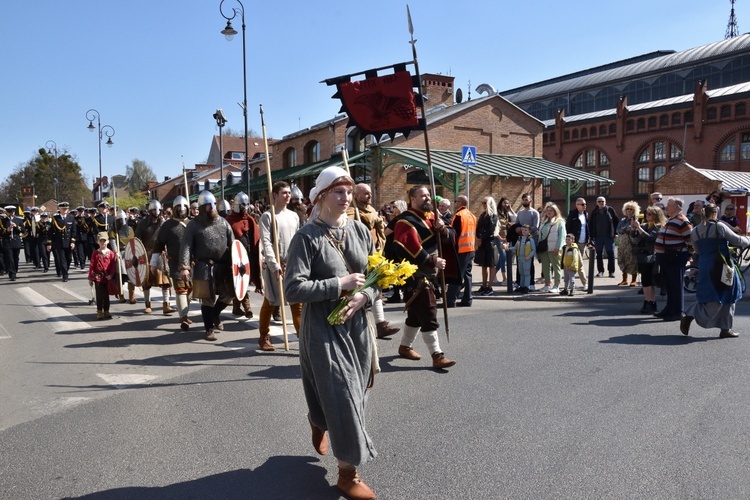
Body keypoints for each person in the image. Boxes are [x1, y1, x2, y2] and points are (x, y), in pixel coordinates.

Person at [284, 166, 378, 500]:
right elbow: (293, 288)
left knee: (357, 391)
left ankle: (318, 419)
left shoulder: (360, 230)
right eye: (339, 192)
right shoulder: (306, 237)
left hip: (357, 325)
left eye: (349, 192)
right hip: (323, 328)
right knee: (343, 393)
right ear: (321, 196)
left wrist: (365, 294)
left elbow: (374, 277)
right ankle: (347, 474)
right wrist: (337, 285)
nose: (346, 198)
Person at [389, 185, 457, 369]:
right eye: (423, 196)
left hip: (431, 274)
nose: (428, 198)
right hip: (416, 276)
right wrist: (432, 260)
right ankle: (437, 355)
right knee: (428, 312)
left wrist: (442, 228)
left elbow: (450, 236)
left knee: (415, 316)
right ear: (412, 199)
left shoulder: (433, 217)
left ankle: (404, 346)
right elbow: (408, 247)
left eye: (428, 195)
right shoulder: (405, 221)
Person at [681, 203, 750, 338]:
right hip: (723, 266)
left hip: (706, 266)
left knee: (710, 295)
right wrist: (748, 239)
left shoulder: (695, 231)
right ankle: (691, 314)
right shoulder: (719, 226)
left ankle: (725, 328)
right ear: (714, 213)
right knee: (729, 295)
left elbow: (698, 250)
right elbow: (737, 240)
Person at [178, 191, 235, 341]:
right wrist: (184, 266)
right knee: (207, 298)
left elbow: (233, 244)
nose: (213, 208)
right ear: (203, 207)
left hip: (223, 266)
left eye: (214, 205)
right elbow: (186, 247)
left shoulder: (223, 222)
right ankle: (209, 328)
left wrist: (237, 262)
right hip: (204, 266)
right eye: (209, 205)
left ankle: (215, 314)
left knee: (228, 294)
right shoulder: (193, 225)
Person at [347, 183, 399, 338]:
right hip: (359, 256)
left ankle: (381, 324)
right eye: (366, 193)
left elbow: (380, 231)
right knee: (360, 291)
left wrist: (379, 247)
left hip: (375, 254)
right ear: (356, 195)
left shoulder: (371, 210)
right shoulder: (351, 211)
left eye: (370, 193)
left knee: (376, 289)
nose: (369, 196)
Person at [258, 181, 303, 351]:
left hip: (292, 264)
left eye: (289, 193)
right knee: (270, 301)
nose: (288, 195)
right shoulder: (268, 216)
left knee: (297, 301)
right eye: (284, 193)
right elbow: (267, 243)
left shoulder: (294, 216)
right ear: (275, 195)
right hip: (274, 265)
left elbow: (298, 240)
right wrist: (274, 264)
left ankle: (302, 337)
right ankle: (264, 336)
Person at [152, 196, 194, 328]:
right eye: (179, 208)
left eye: (184, 208)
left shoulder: (192, 224)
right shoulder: (168, 226)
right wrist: (153, 263)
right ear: (175, 209)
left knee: (190, 290)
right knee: (181, 289)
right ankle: (183, 317)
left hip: (193, 263)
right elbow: (159, 244)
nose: (182, 210)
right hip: (176, 263)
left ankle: (184, 312)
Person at [653, 197, 693, 322]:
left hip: (675, 257)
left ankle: (677, 311)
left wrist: (687, 255)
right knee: (669, 285)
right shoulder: (671, 219)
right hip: (666, 257)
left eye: (669, 205)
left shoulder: (683, 221)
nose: (666, 207)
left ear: (677, 207)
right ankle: (669, 308)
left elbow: (690, 240)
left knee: (675, 285)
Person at [225, 192, 262, 321]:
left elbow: (255, 238)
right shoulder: (229, 220)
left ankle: (236, 307)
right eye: (242, 205)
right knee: (240, 281)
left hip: (248, 255)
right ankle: (248, 308)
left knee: (242, 281)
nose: (244, 207)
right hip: (234, 256)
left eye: (246, 204)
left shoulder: (250, 219)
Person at [135, 200, 174, 314]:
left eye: (158, 210)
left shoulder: (164, 223)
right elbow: (137, 240)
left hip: (161, 254)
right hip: (146, 254)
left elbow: (169, 238)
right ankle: (148, 305)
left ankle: (166, 304)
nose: (156, 212)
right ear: (150, 210)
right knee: (147, 281)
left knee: (165, 281)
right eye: (154, 210)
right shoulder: (143, 223)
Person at [631, 205, 665, 314]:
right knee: (646, 281)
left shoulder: (658, 227)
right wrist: (633, 228)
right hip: (642, 256)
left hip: (650, 256)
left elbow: (651, 239)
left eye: (649, 214)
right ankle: (648, 301)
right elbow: (635, 238)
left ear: (656, 215)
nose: (647, 216)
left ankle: (650, 301)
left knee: (648, 281)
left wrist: (639, 228)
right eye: (646, 214)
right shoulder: (645, 225)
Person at [447, 195, 476, 307]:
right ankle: (468, 299)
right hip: (470, 248)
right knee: (467, 274)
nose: (454, 203)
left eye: (455, 201)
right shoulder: (472, 215)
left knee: (457, 275)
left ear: (459, 202)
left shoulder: (459, 215)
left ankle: (451, 299)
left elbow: (454, 234)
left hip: (461, 249)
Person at [537, 202, 566, 293]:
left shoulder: (559, 222)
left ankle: (556, 285)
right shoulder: (544, 221)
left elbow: (562, 236)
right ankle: (547, 284)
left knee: (556, 267)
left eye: (551, 210)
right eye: (547, 210)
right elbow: (540, 235)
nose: (549, 212)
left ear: (555, 212)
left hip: (554, 248)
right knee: (545, 267)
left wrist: (558, 247)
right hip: (544, 248)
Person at [88, 231, 117, 320]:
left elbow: (113, 265)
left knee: (106, 295)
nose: (102, 243)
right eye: (101, 241)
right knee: (100, 295)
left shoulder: (111, 253)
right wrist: (90, 277)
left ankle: (107, 311)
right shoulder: (95, 253)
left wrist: (111, 275)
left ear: (107, 242)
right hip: (98, 277)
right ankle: (99, 311)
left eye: (104, 241)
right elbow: (92, 265)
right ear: (98, 242)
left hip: (107, 277)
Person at [47, 202, 77, 282]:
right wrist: (49, 243)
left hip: (68, 243)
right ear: (59, 209)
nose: (65, 210)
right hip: (59, 243)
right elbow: (50, 232)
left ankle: (65, 270)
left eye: (66, 209)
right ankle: (65, 275)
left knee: (69, 259)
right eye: (63, 209)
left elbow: (74, 231)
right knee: (62, 260)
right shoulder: (55, 219)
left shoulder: (71, 218)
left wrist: (73, 242)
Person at [515, 193, 540, 290]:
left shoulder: (534, 213)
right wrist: (519, 229)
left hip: (530, 241)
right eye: (524, 199)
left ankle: (531, 283)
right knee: (520, 263)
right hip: (521, 241)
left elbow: (535, 226)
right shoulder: (520, 213)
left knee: (530, 262)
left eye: (527, 199)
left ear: (531, 200)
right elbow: (517, 224)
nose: (525, 201)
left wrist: (526, 229)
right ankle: (519, 283)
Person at [589, 196, 618, 278]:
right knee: (598, 255)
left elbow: (616, 221)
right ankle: (600, 271)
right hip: (598, 237)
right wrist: (591, 237)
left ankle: (611, 272)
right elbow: (591, 224)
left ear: (605, 202)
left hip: (609, 236)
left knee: (611, 254)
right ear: (596, 203)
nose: (601, 203)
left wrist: (615, 232)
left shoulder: (610, 210)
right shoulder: (594, 212)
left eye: (602, 201)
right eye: (599, 201)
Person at [475, 196, 498, 295]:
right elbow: (478, 227)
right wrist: (477, 237)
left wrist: (481, 238)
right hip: (483, 242)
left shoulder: (493, 216)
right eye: (482, 202)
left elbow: (490, 230)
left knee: (491, 264)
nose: (483, 205)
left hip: (489, 242)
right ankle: (484, 285)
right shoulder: (482, 214)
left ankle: (490, 287)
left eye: (485, 203)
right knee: (483, 264)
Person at [565, 197, 590, 289]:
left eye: (585, 204)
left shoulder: (585, 214)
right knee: (579, 263)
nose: (585, 206)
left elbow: (587, 228)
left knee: (578, 263)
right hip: (574, 243)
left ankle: (572, 283)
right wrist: (569, 241)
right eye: (582, 204)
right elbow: (568, 228)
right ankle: (585, 283)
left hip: (583, 242)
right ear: (577, 205)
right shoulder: (572, 215)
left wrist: (588, 239)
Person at [615, 201, 641, 287]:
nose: (629, 211)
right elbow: (618, 230)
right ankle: (624, 280)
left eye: (631, 209)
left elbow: (632, 229)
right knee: (622, 260)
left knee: (632, 261)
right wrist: (624, 229)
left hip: (631, 242)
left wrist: (625, 229)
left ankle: (633, 280)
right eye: (627, 209)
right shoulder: (623, 220)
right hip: (622, 243)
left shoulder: (635, 219)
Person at [494, 197, 515, 285]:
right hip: (498, 237)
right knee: (503, 256)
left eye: (507, 203)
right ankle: (504, 278)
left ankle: (493, 274)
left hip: (505, 238)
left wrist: (511, 209)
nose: (506, 205)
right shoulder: (496, 213)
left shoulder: (507, 213)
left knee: (504, 257)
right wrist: (499, 238)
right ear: (501, 203)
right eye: (504, 203)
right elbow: (494, 227)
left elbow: (515, 219)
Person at [1, 206, 24, 281]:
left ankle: (15, 270)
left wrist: (16, 227)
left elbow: (23, 230)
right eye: (10, 212)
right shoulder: (2, 221)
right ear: (6, 212)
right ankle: (12, 274)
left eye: (13, 212)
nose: (11, 214)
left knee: (15, 258)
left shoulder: (18, 220)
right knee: (9, 258)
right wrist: (7, 229)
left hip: (16, 241)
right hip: (7, 241)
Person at [511, 224, 536, 294]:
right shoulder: (519, 239)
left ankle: (526, 286)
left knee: (527, 273)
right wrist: (508, 248)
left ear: (529, 231)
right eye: (523, 230)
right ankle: (521, 286)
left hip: (526, 259)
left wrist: (529, 256)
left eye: (526, 230)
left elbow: (533, 250)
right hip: (520, 258)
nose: (524, 231)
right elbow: (515, 247)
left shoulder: (530, 240)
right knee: (521, 273)